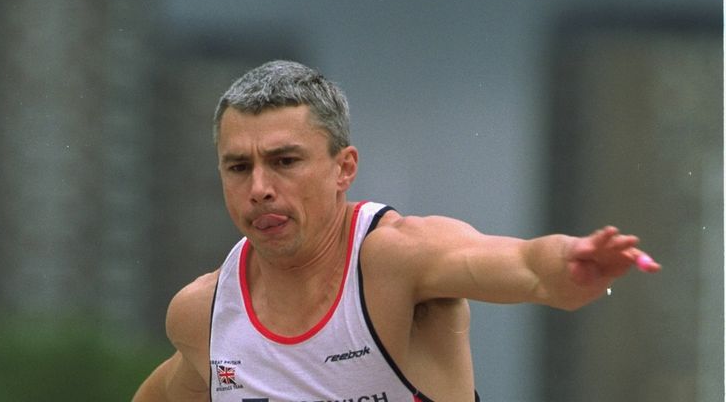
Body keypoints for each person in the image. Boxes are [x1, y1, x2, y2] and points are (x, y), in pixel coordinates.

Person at [132, 60, 660, 402]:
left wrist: (570, 263)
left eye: (285, 160)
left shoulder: (395, 260)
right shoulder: (202, 312)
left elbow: (525, 267)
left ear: (344, 168)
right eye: (238, 167)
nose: (260, 188)